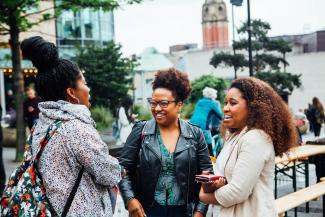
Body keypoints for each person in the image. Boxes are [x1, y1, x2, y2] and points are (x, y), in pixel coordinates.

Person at [20, 36, 121, 216]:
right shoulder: (75, 128)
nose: (88, 89)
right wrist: (121, 167)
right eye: (84, 82)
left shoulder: (42, 126)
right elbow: (109, 173)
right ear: (71, 93)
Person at [119, 68, 213, 217]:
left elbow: (207, 175)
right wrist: (130, 199)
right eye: (153, 103)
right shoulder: (141, 131)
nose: (157, 109)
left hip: (184, 212)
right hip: (148, 211)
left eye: (163, 103)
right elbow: (123, 169)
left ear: (179, 105)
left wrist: (200, 212)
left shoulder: (195, 134)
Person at [199, 77, 297, 217]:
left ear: (253, 107)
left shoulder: (256, 138)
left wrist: (203, 196)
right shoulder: (235, 136)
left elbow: (236, 192)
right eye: (225, 103)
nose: (225, 108)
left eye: (233, 103)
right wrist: (212, 182)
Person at [190, 87, 223, 156]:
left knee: (195, 146)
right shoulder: (212, 104)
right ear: (213, 95)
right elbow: (220, 116)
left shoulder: (199, 102)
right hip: (203, 126)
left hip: (191, 125)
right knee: (209, 147)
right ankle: (212, 162)